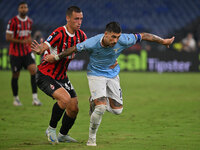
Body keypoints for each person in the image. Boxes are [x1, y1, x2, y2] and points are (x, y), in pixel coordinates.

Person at [32, 22, 174, 146]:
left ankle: (65, 132)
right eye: (113, 37)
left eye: (117, 37)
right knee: (98, 108)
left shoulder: (123, 40)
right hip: (95, 75)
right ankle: (90, 140)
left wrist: (163, 41)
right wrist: (55, 57)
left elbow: (144, 36)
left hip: (112, 75)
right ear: (106, 34)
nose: (115, 40)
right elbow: (73, 49)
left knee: (117, 110)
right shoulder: (92, 42)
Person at [31, 6, 87, 144]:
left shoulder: (81, 36)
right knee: (65, 99)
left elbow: (92, 48)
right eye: (76, 19)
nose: (79, 22)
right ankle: (51, 129)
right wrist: (40, 50)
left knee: (74, 108)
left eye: (81, 19)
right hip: (45, 75)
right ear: (68, 18)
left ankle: (63, 135)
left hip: (62, 77)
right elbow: (46, 44)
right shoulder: (59, 33)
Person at [6, 1, 41, 106]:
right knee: (16, 75)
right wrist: (22, 41)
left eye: (25, 7)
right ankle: (16, 99)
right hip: (15, 53)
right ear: (18, 9)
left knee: (34, 71)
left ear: (27, 9)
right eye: (21, 7)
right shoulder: (12, 22)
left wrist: (33, 48)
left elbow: (28, 38)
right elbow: (8, 38)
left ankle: (35, 99)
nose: (23, 9)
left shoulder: (29, 21)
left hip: (26, 52)